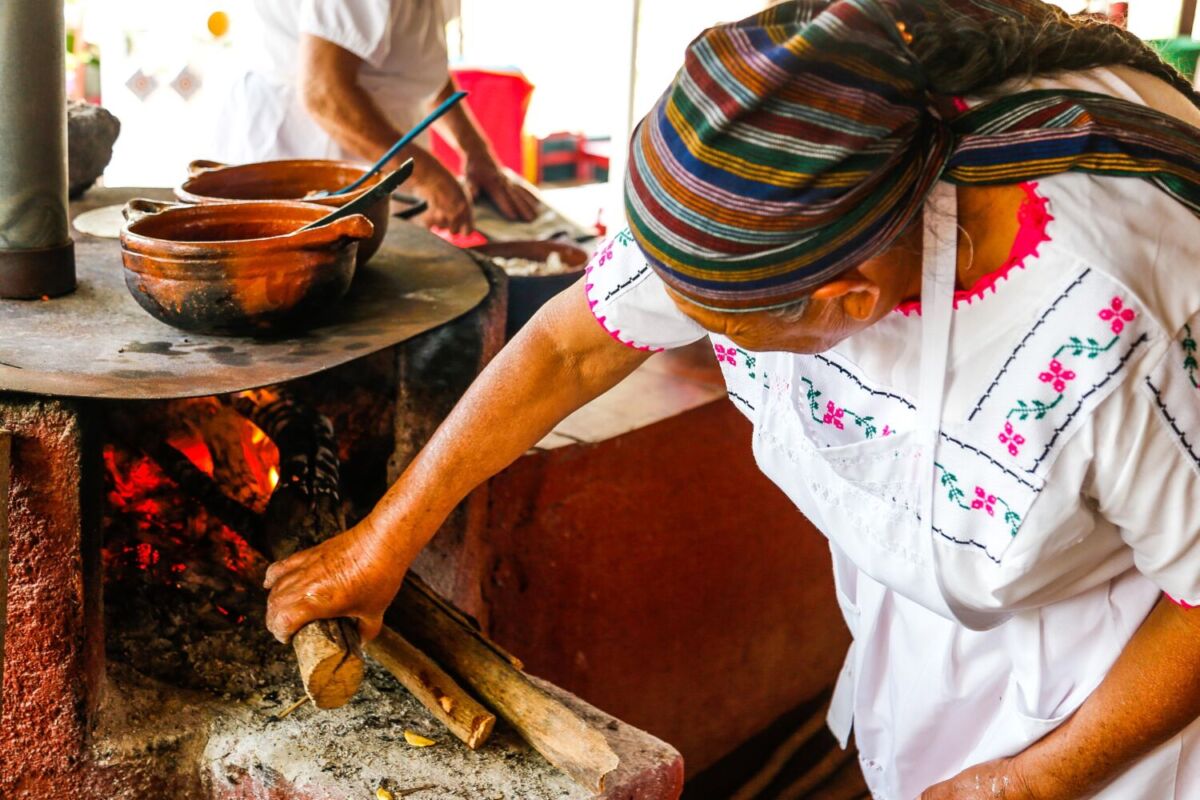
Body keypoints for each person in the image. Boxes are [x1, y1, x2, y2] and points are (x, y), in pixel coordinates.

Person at [261, 1, 1200, 797]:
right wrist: (381, 542)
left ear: (849, 303)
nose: (691, 329)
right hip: (942, 627)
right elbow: (574, 346)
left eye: (723, 331)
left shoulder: (1122, 323)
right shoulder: (771, 183)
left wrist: (1026, 783)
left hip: (1123, 670)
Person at [213, 0, 537, 234]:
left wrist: (478, 154)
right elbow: (324, 93)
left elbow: (419, 67)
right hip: (309, 143)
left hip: (381, 153)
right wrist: (428, 177)